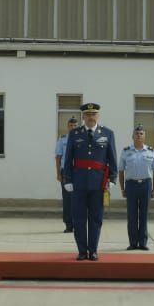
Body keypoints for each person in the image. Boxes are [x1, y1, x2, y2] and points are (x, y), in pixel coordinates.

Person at [62, 103, 119, 261]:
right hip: (78, 183)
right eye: (88, 115)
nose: (91, 117)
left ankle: (93, 250)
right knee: (78, 218)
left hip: (98, 183)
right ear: (83, 117)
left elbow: (112, 159)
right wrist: (68, 179)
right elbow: (68, 159)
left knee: (96, 218)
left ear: (98, 116)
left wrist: (112, 179)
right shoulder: (74, 134)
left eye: (94, 114)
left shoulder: (107, 133)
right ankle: (81, 251)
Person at [119, 125, 154, 251]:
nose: (139, 135)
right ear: (133, 136)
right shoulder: (126, 151)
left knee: (143, 215)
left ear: (145, 136)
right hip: (131, 185)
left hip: (146, 185)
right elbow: (121, 171)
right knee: (131, 215)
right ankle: (132, 243)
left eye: (141, 133)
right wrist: (122, 188)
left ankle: (142, 242)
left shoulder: (151, 151)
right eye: (137, 133)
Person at [55, 117, 78, 232]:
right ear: (67, 126)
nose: (73, 128)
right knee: (67, 199)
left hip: (79, 172)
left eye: (75, 126)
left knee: (79, 198)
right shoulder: (63, 139)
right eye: (71, 126)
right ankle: (69, 224)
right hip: (67, 172)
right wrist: (58, 173)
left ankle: (78, 223)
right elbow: (58, 157)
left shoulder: (81, 139)